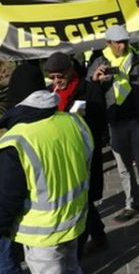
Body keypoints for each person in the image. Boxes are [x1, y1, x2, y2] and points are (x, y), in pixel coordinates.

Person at [0, 63, 94, 274]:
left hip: (41, 235)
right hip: (75, 220)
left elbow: (8, 196)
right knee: (73, 268)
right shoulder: (74, 121)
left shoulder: (15, 140)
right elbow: (88, 163)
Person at [87, 24, 139, 225]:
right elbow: (88, 92)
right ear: (108, 43)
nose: (122, 46)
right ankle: (131, 204)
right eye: (118, 42)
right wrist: (96, 81)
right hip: (115, 122)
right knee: (123, 167)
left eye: (125, 42)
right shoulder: (99, 63)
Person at [44, 53, 108, 255]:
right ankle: (98, 235)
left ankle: (79, 251)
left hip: (84, 155)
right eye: (52, 77)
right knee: (80, 200)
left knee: (84, 198)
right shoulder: (48, 94)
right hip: (60, 156)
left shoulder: (88, 91)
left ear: (70, 70)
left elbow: (99, 126)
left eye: (60, 76)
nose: (57, 81)